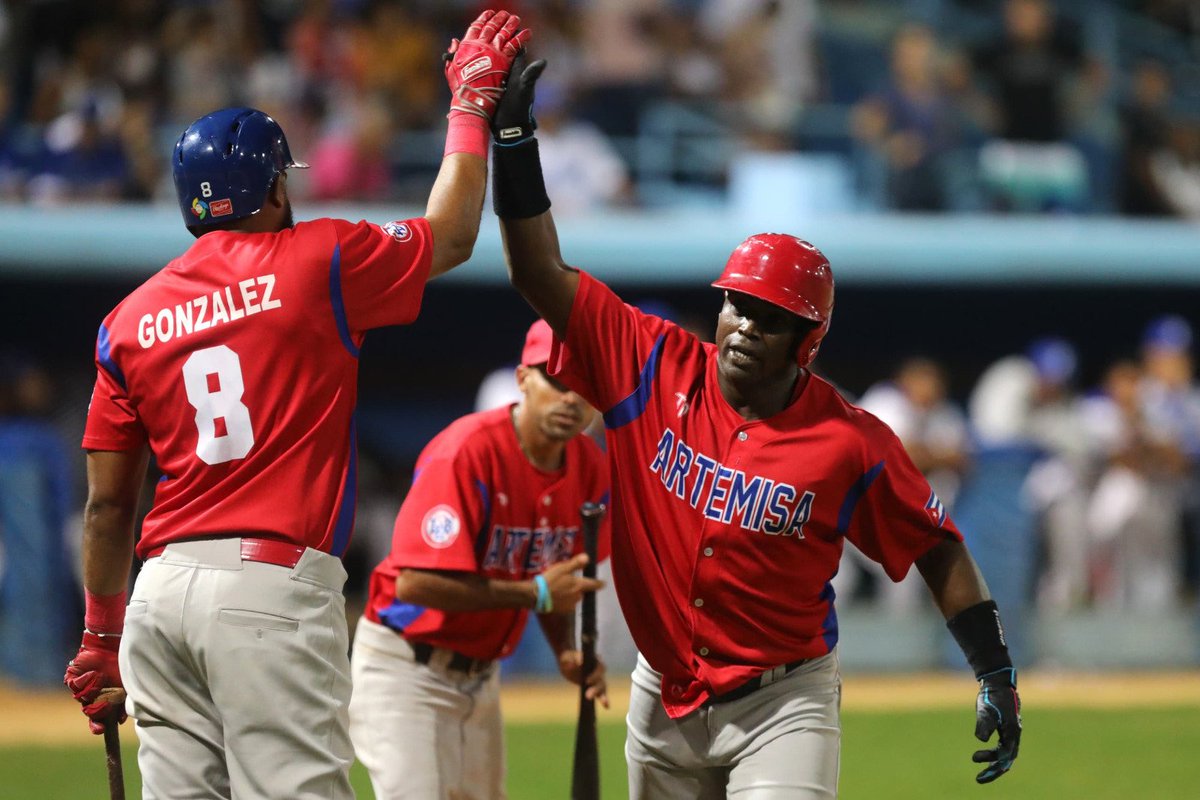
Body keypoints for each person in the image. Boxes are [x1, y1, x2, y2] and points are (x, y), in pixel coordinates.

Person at [486, 54, 1022, 797]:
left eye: (771, 320)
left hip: (783, 702)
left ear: (808, 342)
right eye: (738, 303)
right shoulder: (649, 361)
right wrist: (512, 136)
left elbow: (938, 549)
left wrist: (994, 669)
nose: (744, 326)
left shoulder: (850, 440)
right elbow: (537, 270)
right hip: (662, 691)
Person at [62, 11, 530, 799]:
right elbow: (451, 235)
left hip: (157, 596)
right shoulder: (319, 258)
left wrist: (99, 635)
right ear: (276, 183)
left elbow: (108, 510)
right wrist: (471, 106)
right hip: (267, 589)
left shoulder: (129, 320)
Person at [349, 319, 610, 799]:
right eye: (558, 381)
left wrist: (565, 652)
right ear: (523, 379)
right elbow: (415, 583)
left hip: (481, 677)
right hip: (407, 666)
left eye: (587, 387)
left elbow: (556, 578)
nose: (572, 399)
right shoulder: (466, 452)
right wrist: (535, 594)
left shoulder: (591, 467)